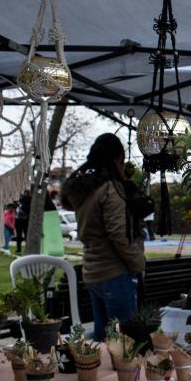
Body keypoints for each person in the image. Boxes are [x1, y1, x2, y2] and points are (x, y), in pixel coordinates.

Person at [62, 134, 145, 341]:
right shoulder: (109, 189)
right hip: (114, 272)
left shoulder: (85, 188)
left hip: (92, 271)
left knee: (103, 339)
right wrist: (138, 263)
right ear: (117, 159)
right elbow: (119, 234)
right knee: (125, 344)